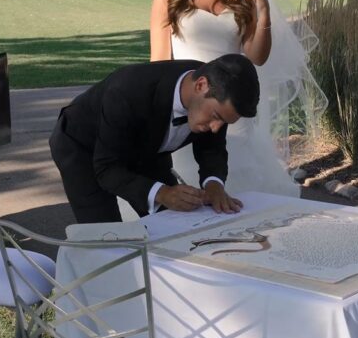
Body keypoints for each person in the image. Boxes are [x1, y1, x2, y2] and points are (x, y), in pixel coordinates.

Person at [149, 0, 326, 198]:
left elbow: (256, 57)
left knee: (240, 198)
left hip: (233, 116)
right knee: (188, 201)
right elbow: (157, 65)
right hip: (191, 110)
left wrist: (263, 8)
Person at [50, 54, 259, 224]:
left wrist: (214, 185)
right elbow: (107, 169)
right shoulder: (127, 91)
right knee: (106, 236)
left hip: (148, 150)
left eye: (225, 123)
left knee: (178, 223)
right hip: (83, 147)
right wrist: (163, 193)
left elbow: (212, 149)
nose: (216, 129)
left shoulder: (219, 91)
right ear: (200, 86)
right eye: (216, 118)